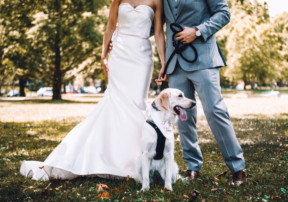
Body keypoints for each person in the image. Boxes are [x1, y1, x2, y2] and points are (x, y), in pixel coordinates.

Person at [20, 0, 166, 181]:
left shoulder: (157, 1)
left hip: (142, 56)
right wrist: (103, 56)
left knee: (137, 105)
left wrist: (164, 62)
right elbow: (110, 26)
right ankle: (105, 158)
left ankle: (134, 160)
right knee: (114, 103)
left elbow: (159, 33)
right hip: (120, 54)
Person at [157, 0, 246, 185]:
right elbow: (155, 24)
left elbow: (223, 13)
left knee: (215, 111)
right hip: (175, 63)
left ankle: (238, 168)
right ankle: (192, 166)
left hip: (204, 59)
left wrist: (197, 31)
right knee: (183, 118)